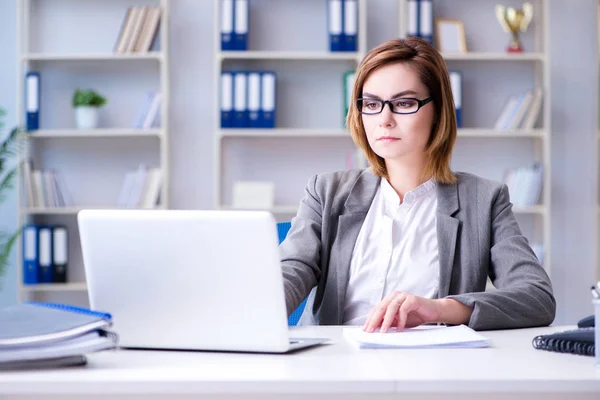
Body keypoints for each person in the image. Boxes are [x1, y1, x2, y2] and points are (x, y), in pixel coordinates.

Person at [279, 37, 555, 332]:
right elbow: (293, 270)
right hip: (336, 364)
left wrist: (440, 309)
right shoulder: (326, 191)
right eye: (371, 104)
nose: (384, 119)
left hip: (431, 367)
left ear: (438, 112)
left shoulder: (484, 200)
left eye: (404, 103)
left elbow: (536, 297)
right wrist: (253, 305)